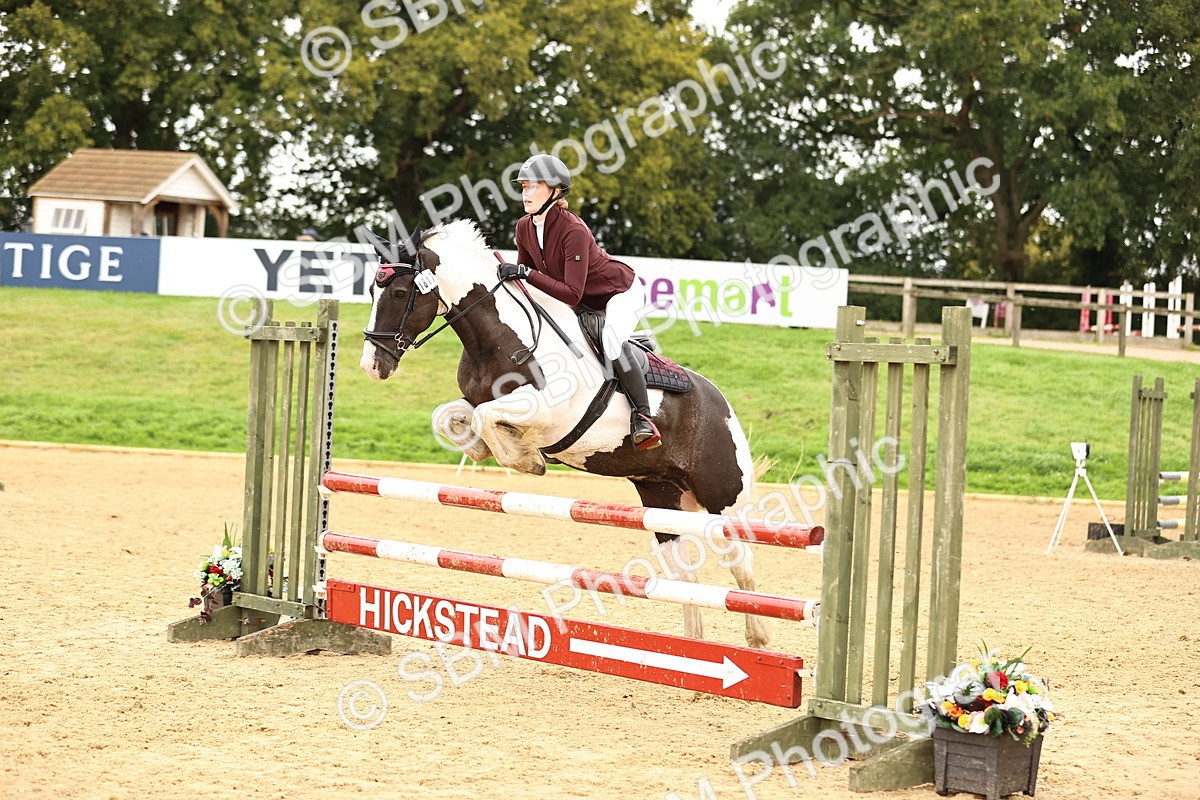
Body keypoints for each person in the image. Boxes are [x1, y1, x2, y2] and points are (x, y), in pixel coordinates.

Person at [498, 154, 661, 451]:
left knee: (611, 341)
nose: (526, 194)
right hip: (580, 301)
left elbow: (571, 292)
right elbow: (529, 281)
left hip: (618, 293)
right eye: (523, 187)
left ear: (555, 191)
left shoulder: (573, 229)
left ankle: (643, 418)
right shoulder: (523, 227)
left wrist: (527, 273)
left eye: (534, 186)